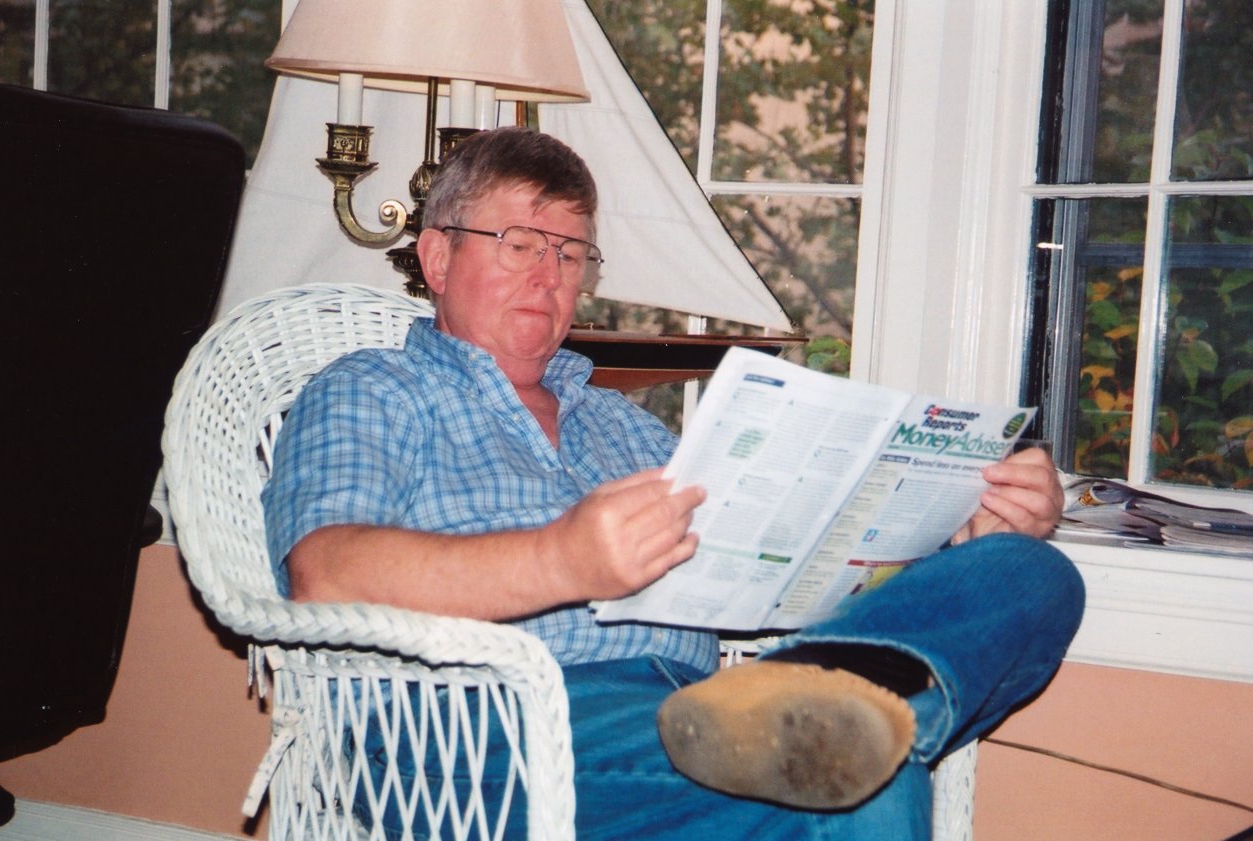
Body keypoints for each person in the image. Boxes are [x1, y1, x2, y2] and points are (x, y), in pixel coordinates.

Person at [263, 126, 1085, 839]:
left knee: (1028, 573)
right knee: (859, 770)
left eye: (571, 252)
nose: (549, 276)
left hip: (691, 707)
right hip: (475, 731)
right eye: (518, 244)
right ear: (439, 256)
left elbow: (768, 578)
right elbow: (325, 574)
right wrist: (561, 561)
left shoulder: (623, 425)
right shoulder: (371, 388)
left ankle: (835, 697)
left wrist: (963, 528)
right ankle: (838, 717)